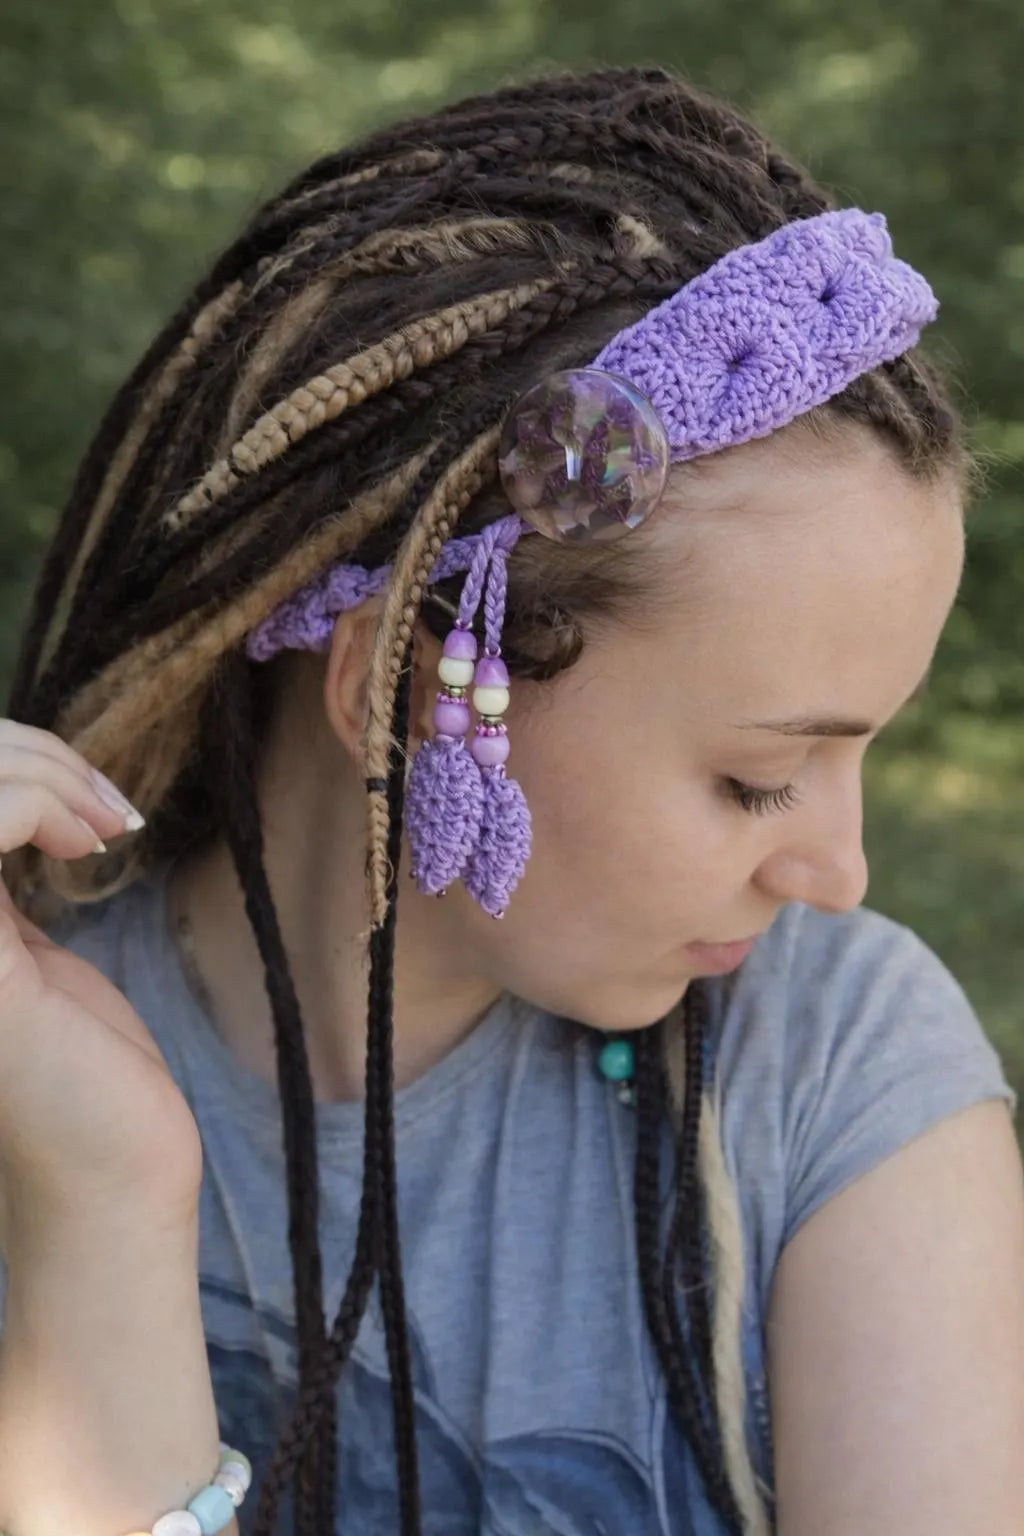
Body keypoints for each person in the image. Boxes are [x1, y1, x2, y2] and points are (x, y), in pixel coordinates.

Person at [0, 62, 1021, 1536]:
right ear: (404, 696)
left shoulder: (834, 1071)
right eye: (758, 780)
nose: (840, 871)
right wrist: (100, 1204)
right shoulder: (29, 1047)